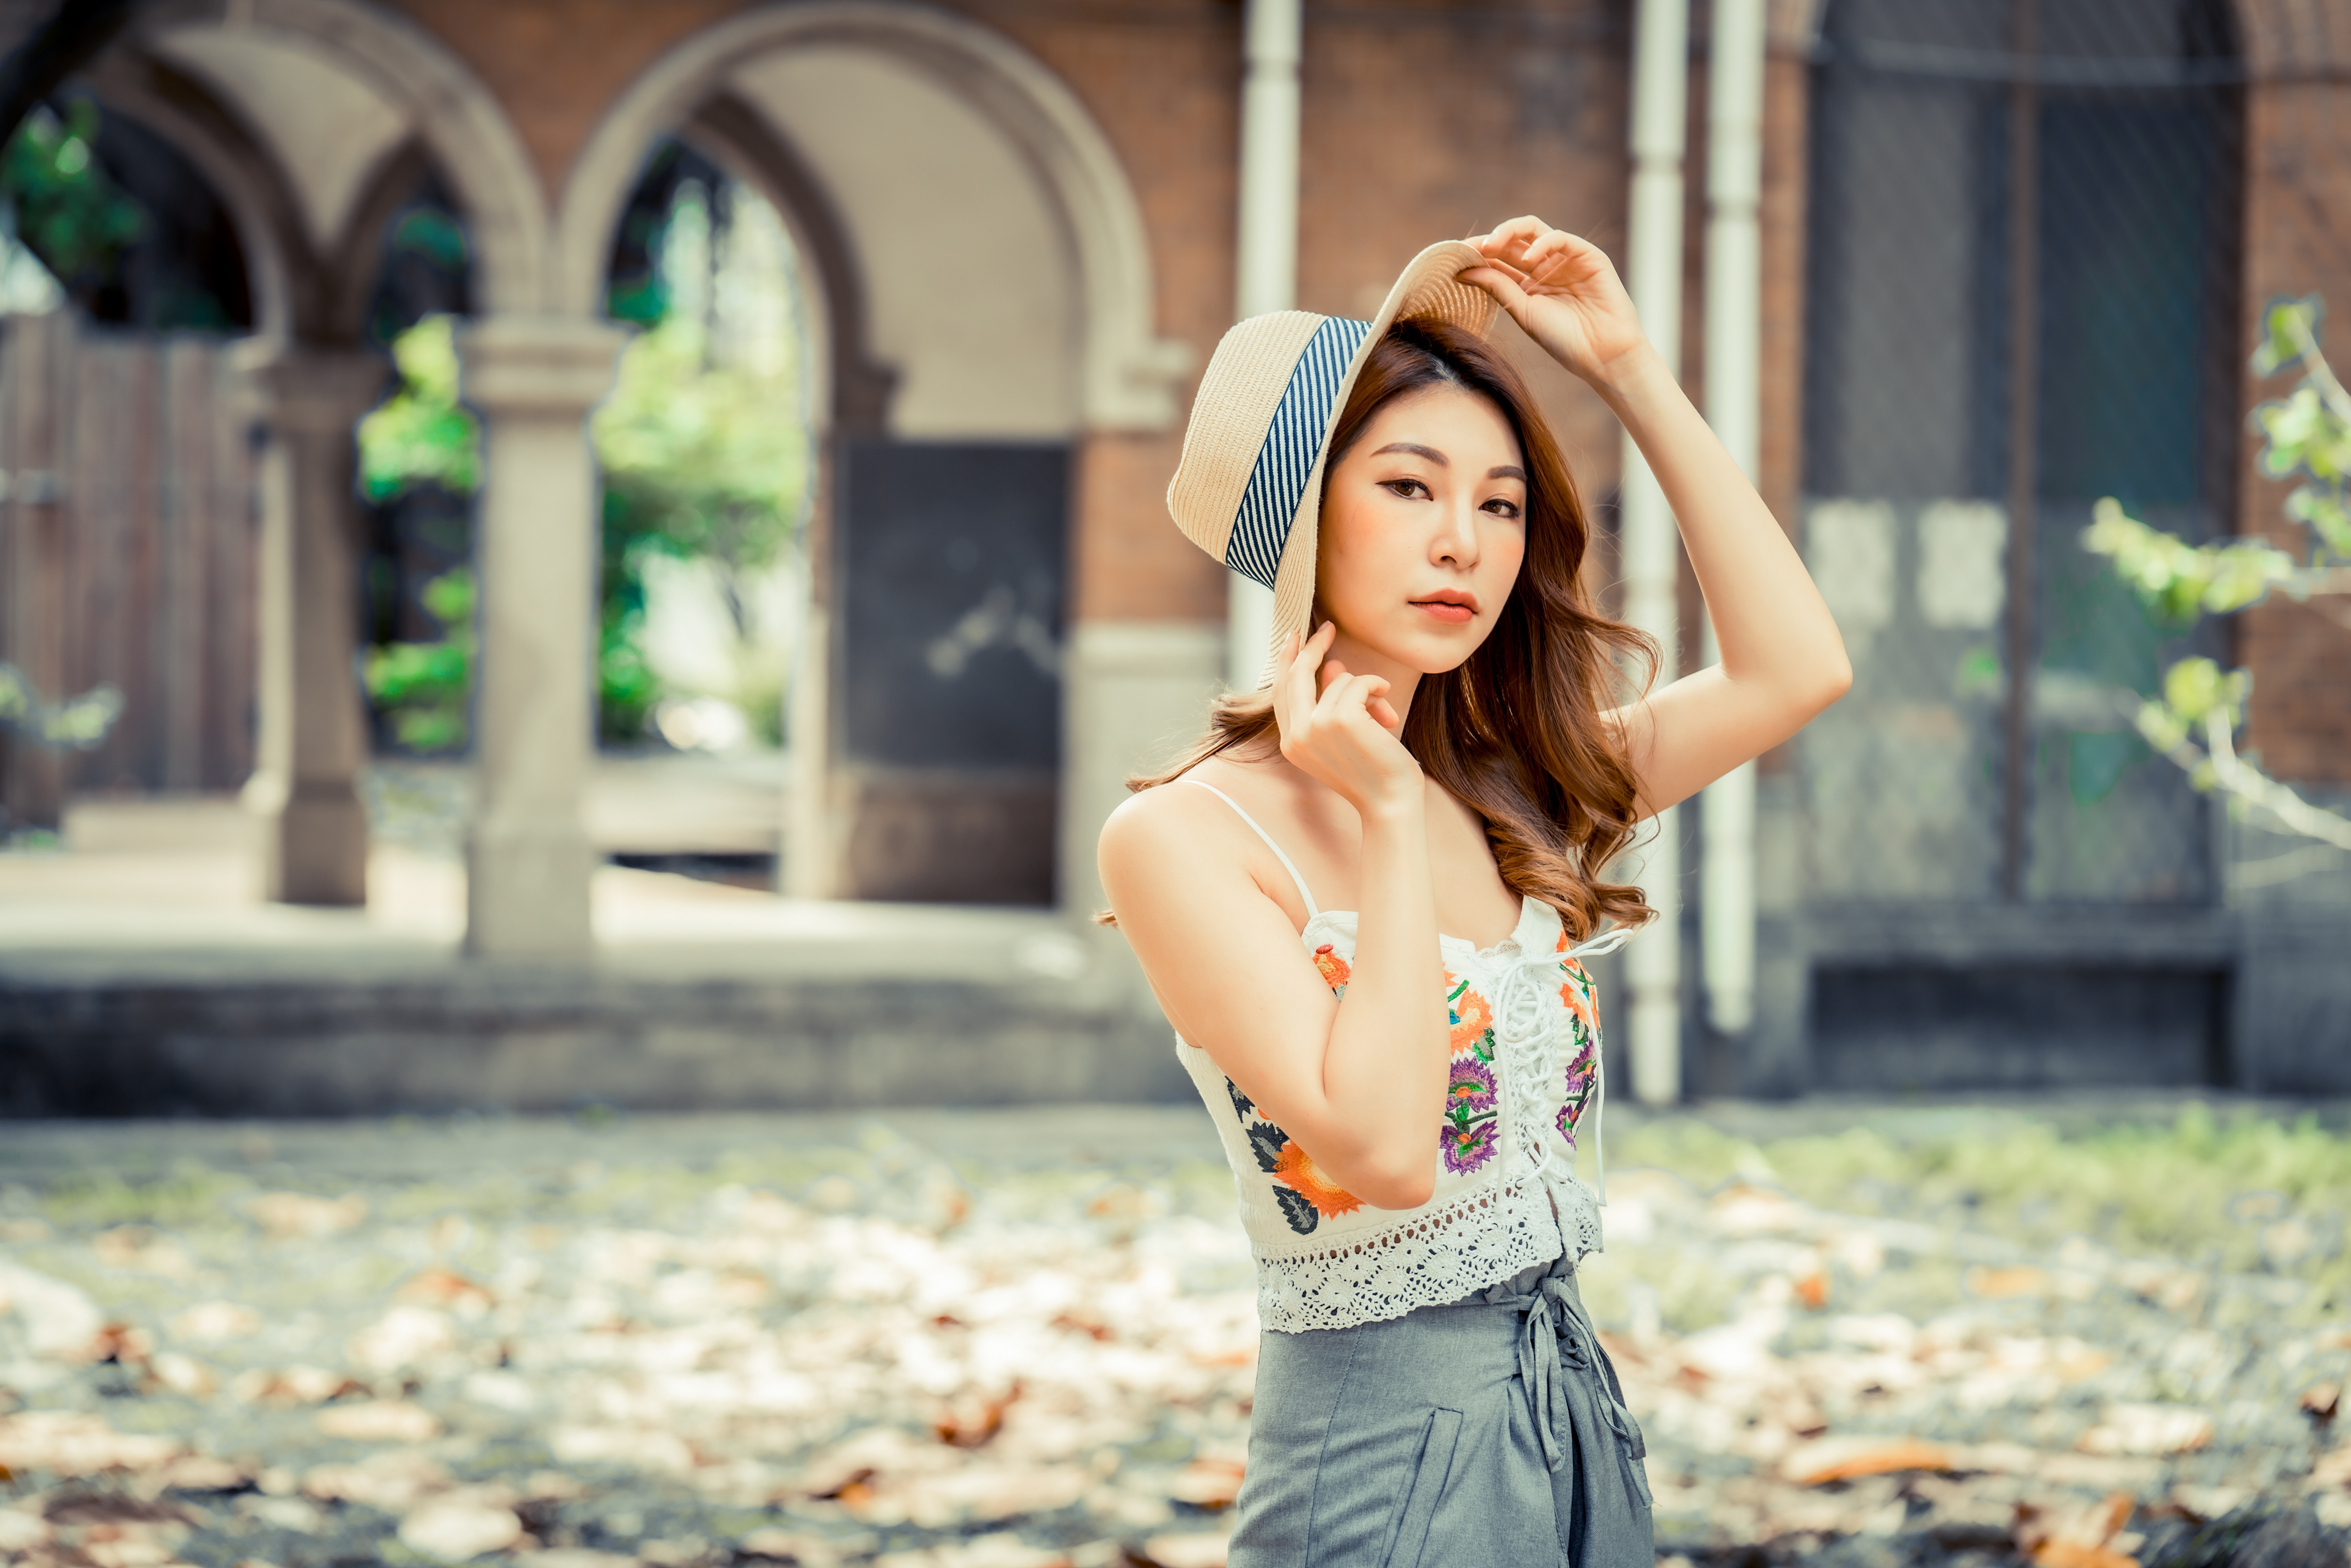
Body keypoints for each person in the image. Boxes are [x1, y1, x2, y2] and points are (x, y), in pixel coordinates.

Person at [1095, 218, 1851, 1568]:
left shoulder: (1520, 786)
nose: (1464, 542)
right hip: (1378, 1464)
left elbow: (1793, 668)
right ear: (1303, 521)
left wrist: (1629, 373)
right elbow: (1383, 1153)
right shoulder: (1182, 837)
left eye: (1500, 502)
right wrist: (1384, 812)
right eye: (1407, 486)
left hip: (1566, 1416)